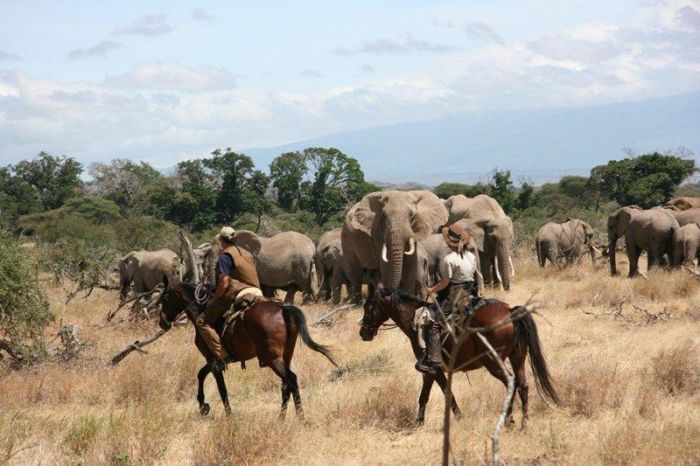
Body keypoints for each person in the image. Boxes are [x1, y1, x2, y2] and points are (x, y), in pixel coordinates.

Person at [414, 223, 480, 375]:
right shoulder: (471, 256)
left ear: (448, 242)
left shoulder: (449, 259)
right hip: (470, 293)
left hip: (454, 296)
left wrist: (431, 289)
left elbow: (445, 282)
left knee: (435, 325)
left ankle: (434, 360)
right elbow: (473, 277)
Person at [196, 226, 262, 372]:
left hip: (241, 291)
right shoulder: (246, 253)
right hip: (257, 292)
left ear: (221, 241)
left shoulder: (225, 256)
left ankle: (223, 357)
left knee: (202, 321)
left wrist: (214, 299)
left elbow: (225, 283)